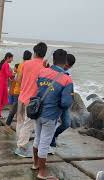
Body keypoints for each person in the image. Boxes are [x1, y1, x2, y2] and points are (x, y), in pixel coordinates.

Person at [32, 49, 73, 179]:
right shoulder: (67, 79)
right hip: (50, 116)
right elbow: (66, 103)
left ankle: (35, 164)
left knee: (37, 139)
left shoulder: (42, 71)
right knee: (44, 143)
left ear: (53, 59)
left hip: (37, 111)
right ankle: (42, 173)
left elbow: (37, 87)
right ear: (65, 61)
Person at [15, 42, 47, 157]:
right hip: (32, 100)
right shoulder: (43, 68)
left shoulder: (26, 63)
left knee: (20, 120)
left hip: (22, 96)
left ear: (35, 52)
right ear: (44, 54)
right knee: (28, 124)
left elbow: (19, 79)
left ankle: (19, 141)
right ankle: (21, 147)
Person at [49, 54, 76, 153]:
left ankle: (54, 135)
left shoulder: (68, 73)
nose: (67, 68)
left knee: (66, 123)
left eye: (69, 67)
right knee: (53, 122)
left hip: (64, 102)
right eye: (67, 65)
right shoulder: (55, 70)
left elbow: (69, 86)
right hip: (55, 102)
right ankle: (51, 142)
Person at [6, 50, 32, 126]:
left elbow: (18, 77)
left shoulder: (20, 65)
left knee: (16, 108)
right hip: (22, 90)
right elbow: (22, 78)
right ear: (30, 57)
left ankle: (9, 123)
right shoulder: (26, 65)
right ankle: (9, 123)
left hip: (18, 90)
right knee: (19, 109)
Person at [0, 53, 14, 119]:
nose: (12, 60)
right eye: (11, 58)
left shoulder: (3, 63)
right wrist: (13, 75)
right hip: (2, 84)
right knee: (1, 99)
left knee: (0, 99)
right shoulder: (6, 64)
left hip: (0, 83)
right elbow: (8, 74)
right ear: (8, 57)